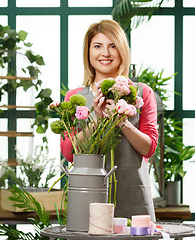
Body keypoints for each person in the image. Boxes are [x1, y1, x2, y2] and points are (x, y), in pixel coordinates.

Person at [60, 19, 158, 221]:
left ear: (122, 50)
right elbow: (69, 152)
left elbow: (148, 148)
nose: (105, 53)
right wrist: (96, 119)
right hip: (87, 201)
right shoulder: (74, 98)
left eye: (112, 46)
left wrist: (122, 122)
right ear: (88, 52)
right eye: (97, 46)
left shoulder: (143, 93)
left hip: (134, 200)